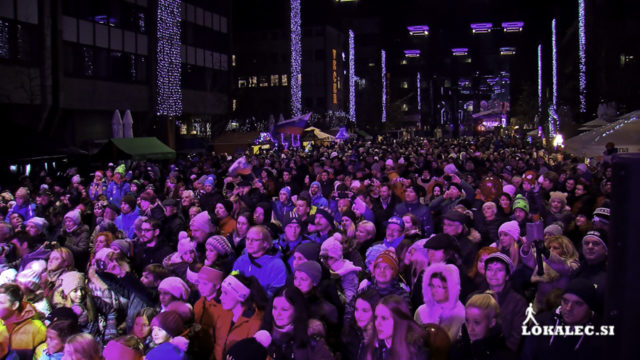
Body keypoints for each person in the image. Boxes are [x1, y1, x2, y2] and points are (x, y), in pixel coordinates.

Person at [521, 279, 604, 360]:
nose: (569, 308)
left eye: (578, 304)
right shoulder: (542, 322)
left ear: (590, 307)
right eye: (565, 301)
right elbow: (527, 356)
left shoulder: (601, 333)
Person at [261, 285, 334, 360]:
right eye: (275, 308)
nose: (277, 314)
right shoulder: (264, 334)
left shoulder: (312, 339)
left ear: (297, 311)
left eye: (284, 309)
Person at [211, 274, 266, 360]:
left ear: (240, 296)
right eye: (221, 292)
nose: (221, 297)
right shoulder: (222, 313)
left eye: (226, 293)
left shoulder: (255, 323)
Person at [448, 291, 515, 360]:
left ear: (492, 322)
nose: (470, 329)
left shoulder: (505, 356)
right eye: (467, 321)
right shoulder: (456, 350)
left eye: (476, 323)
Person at [482, 253, 527, 351]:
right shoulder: (477, 296)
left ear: (507, 276)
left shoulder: (518, 302)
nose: (493, 274)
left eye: (499, 270)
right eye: (489, 269)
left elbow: (516, 338)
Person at [363, 294, 428, 360]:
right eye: (376, 317)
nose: (377, 323)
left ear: (399, 321)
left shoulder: (415, 350)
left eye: (384, 318)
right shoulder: (374, 345)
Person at [414, 263, 465, 341]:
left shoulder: (460, 313)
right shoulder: (421, 311)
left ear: (450, 288)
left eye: (439, 287)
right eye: (432, 286)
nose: (435, 291)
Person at [232, 225, 287, 298]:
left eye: (254, 240)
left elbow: (274, 296)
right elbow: (232, 282)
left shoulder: (277, 266)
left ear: (265, 243)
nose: (249, 243)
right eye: (247, 239)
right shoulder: (241, 260)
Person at [341, 288, 381, 360]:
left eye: (365, 311)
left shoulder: (381, 337)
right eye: (356, 309)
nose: (358, 315)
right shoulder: (350, 331)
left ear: (375, 312)